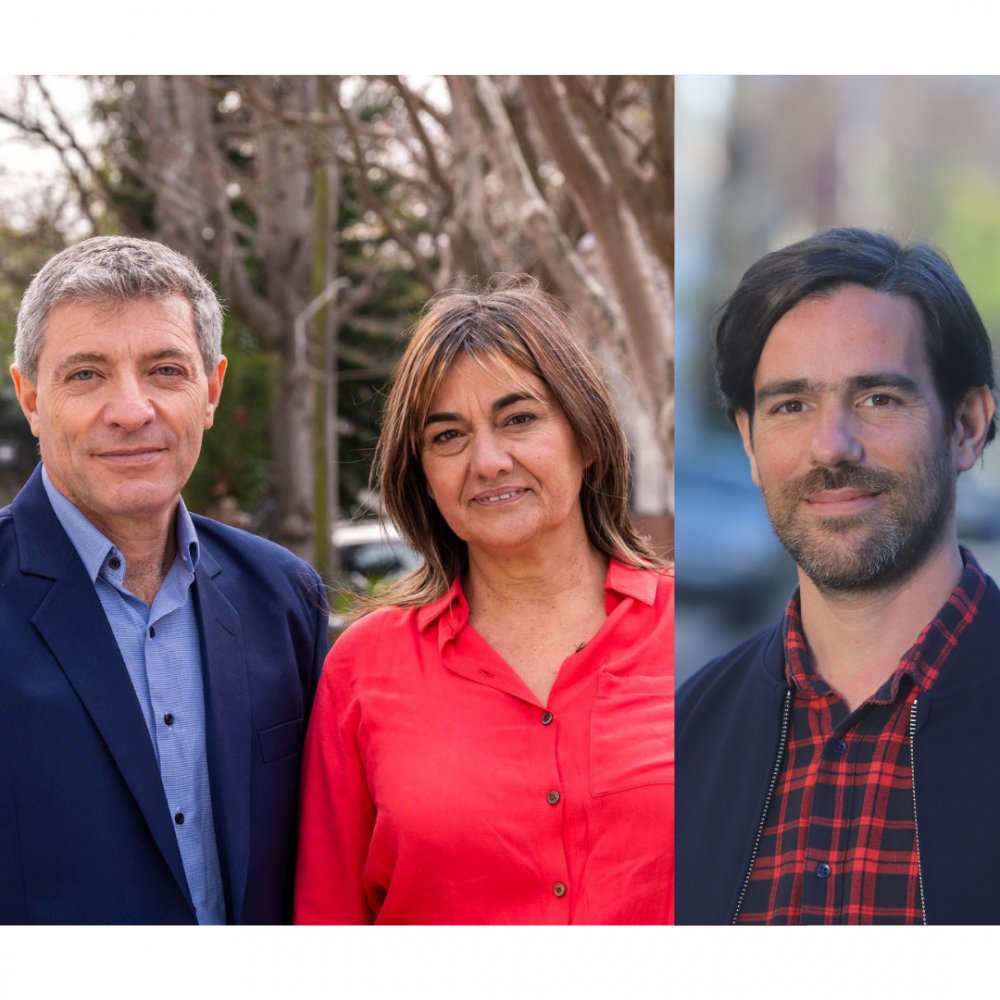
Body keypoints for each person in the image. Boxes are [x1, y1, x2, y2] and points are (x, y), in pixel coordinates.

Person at [294, 280, 673, 924]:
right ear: (422, 475)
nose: (488, 461)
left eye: (519, 419)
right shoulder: (363, 670)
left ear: (584, 435)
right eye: (448, 436)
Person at [0, 236, 329, 924]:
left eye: (165, 370)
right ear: (30, 397)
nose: (131, 409)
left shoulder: (282, 597)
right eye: (86, 374)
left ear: (210, 391)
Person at [676, 227, 1000, 925]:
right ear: (750, 444)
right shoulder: (683, 740)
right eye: (791, 405)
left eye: (879, 398)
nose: (831, 446)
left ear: (968, 426)